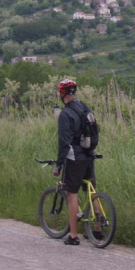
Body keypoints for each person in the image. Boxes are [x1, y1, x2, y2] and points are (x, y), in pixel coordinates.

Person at [53, 79, 97, 246]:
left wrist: (59, 164)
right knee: (91, 191)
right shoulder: (85, 108)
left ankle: (73, 235)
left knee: (72, 194)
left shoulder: (65, 114)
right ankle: (98, 229)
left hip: (75, 158)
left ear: (62, 93)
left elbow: (64, 143)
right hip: (89, 155)